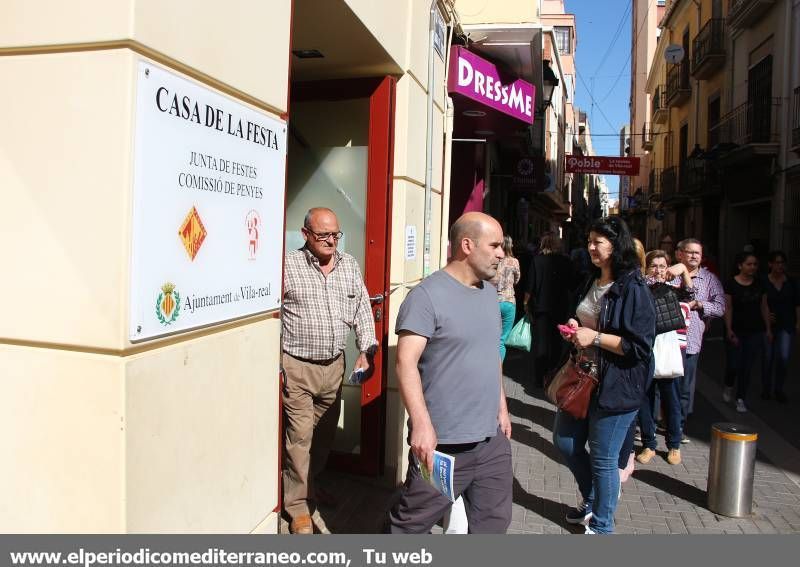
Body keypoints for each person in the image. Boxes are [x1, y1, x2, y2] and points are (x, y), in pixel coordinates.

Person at [388, 212, 513, 534]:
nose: (502, 253)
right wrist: (422, 424)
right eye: (495, 245)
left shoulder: (488, 292)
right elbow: (405, 362)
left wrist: (502, 407)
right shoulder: (426, 297)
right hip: (443, 446)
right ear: (467, 245)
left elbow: (490, 354)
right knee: (411, 525)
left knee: (493, 526)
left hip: (491, 443)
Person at [553, 216, 656, 535]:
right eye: (589, 241)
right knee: (565, 442)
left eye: (598, 241)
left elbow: (639, 346)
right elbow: (587, 320)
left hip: (616, 386)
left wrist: (594, 337)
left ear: (617, 245)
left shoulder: (633, 287)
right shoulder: (591, 280)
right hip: (583, 380)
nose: (591, 247)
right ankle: (593, 498)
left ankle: (601, 525)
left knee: (603, 459)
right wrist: (576, 327)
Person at [281, 207, 378, 534]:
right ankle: (297, 507)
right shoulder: (287, 265)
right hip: (297, 366)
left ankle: (311, 485)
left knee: (323, 436)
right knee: (300, 437)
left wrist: (367, 348)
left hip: (334, 368)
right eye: (323, 235)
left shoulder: (349, 265)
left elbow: (362, 308)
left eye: (335, 234)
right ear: (305, 234)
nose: (331, 241)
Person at [636, 250, 693, 466]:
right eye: (654, 266)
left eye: (662, 265)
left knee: (672, 399)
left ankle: (674, 445)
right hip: (647, 350)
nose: (658, 270)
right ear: (646, 268)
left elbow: (689, 294)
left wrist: (684, 270)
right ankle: (649, 444)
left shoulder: (671, 289)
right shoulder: (641, 289)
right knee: (646, 398)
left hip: (668, 350)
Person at [675, 238, 725, 438]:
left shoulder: (710, 279)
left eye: (698, 253)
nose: (694, 256)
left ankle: (679, 423)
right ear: (680, 254)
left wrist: (701, 305)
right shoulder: (670, 274)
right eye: (690, 252)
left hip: (691, 338)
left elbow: (721, 307)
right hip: (667, 339)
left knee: (686, 385)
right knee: (664, 382)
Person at [723, 252, 772, 413]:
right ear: (740, 265)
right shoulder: (731, 283)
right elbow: (728, 307)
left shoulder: (760, 284)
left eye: (755, 264)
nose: (752, 267)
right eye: (749, 264)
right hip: (736, 329)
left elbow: (764, 306)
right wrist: (729, 329)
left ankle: (740, 398)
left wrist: (768, 329)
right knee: (733, 365)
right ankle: (729, 385)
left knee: (747, 366)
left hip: (755, 330)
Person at [524, 234, 575, 386]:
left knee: (541, 343)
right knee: (557, 342)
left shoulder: (537, 261)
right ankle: (553, 375)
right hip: (560, 307)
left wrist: (526, 304)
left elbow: (529, 287)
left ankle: (539, 378)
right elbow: (572, 285)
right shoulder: (567, 262)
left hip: (541, 308)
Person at [762, 250, 800, 403]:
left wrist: (798, 322)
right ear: (770, 264)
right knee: (768, 357)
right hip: (769, 323)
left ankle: (778, 388)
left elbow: (797, 303)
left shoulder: (791, 282)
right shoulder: (764, 281)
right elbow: (762, 303)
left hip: (786, 323)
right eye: (777, 262)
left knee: (783, 357)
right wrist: (766, 319)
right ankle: (766, 388)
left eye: (782, 263)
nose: (780, 265)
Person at [490, 235, 521, 361]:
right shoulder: (514, 261)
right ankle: (498, 370)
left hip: (494, 301)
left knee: (490, 336)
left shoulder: (494, 260)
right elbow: (517, 280)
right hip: (509, 302)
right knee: (501, 340)